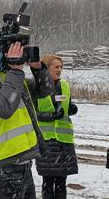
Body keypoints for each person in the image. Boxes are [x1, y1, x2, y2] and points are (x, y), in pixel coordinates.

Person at [0, 42, 54, 199]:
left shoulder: (10, 78)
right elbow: (4, 107)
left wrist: (38, 68)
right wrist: (15, 70)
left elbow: (45, 89)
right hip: (3, 167)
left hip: (23, 165)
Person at [32, 54, 78, 199]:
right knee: (48, 182)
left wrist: (72, 108)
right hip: (47, 142)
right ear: (47, 68)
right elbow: (32, 113)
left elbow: (67, 104)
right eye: (56, 67)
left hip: (64, 142)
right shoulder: (36, 87)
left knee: (61, 182)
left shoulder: (64, 85)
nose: (59, 70)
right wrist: (49, 116)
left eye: (61, 67)